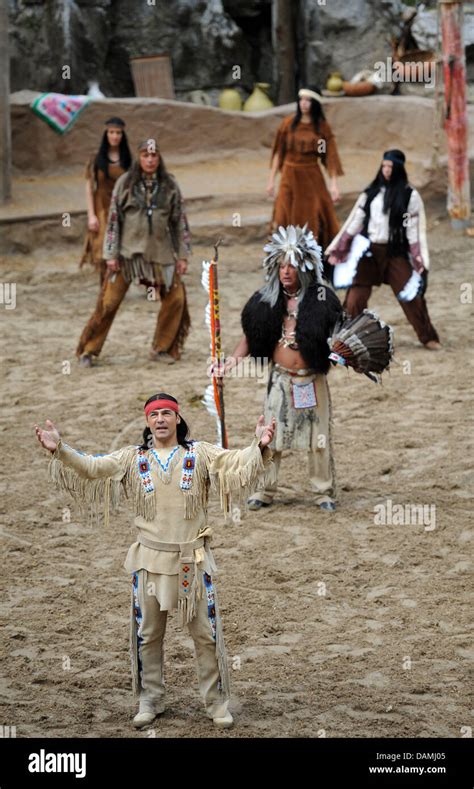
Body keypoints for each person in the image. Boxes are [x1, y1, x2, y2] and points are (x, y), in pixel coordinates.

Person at [35, 393, 275, 729]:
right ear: (148, 422)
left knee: (205, 633)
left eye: (166, 413)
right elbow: (92, 467)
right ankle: (150, 697)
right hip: (148, 560)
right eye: (154, 415)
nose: (160, 419)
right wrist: (60, 449)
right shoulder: (133, 458)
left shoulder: (200, 453)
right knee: (147, 634)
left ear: (177, 419)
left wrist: (258, 445)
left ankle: (216, 701)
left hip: (192, 560)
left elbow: (234, 462)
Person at [223, 225, 343, 512]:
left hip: (311, 380)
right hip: (280, 380)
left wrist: (345, 353)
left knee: (318, 437)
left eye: (292, 265)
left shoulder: (323, 301)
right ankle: (264, 489)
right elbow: (252, 337)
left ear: (304, 267)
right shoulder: (266, 301)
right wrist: (231, 361)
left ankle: (323, 491)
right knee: (270, 437)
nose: (286, 271)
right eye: (281, 265)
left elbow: (340, 335)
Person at [76, 138, 191, 367]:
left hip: (161, 255)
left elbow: (180, 222)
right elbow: (113, 220)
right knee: (108, 302)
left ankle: (162, 348)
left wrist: (183, 255)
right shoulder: (125, 183)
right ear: (139, 157)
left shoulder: (169, 185)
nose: (150, 160)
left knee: (176, 298)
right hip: (127, 257)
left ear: (159, 158)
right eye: (145, 155)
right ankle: (88, 350)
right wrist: (110, 254)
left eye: (154, 155)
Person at [326, 149, 441, 349]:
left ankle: (428, 337)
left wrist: (419, 258)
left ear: (398, 169)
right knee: (355, 298)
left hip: (395, 252)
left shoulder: (409, 196)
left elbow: (414, 232)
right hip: (368, 252)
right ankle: (348, 338)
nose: (386, 170)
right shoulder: (370, 193)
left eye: (391, 167)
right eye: (384, 166)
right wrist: (340, 246)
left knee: (410, 294)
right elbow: (355, 222)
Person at [267, 88, 344, 252]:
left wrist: (334, 185)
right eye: (301, 99)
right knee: (282, 214)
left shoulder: (321, 128)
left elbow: (330, 157)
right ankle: (283, 255)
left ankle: (313, 255)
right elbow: (278, 154)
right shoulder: (288, 124)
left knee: (315, 215)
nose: (304, 103)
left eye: (308, 100)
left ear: (315, 103)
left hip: (312, 176)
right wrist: (271, 181)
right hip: (289, 174)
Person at [80, 117, 132, 286]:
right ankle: (105, 284)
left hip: (121, 208)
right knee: (103, 245)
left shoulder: (128, 160)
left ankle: (120, 283)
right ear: (106, 134)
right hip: (101, 208)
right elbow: (89, 186)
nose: (115, 136)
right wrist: (91, 215)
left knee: (122, 246)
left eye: (118, 133)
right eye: (111, 132)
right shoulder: (96, 159)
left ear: (122, 135)